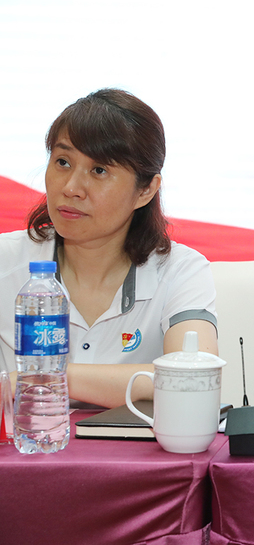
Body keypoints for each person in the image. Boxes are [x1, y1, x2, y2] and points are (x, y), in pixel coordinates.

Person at [0, 89, 218, 408]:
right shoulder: (6, 260)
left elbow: (195, 377)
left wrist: (48, 377)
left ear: (146, 190)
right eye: (62, 162)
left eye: (99, 170)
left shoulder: (181, 270)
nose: (71, 188)